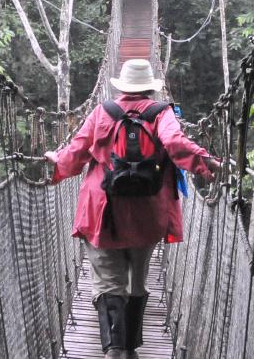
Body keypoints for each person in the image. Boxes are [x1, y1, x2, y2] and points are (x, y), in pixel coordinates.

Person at [45, 58, 219, 359]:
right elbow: (176, 143)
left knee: (109, 284)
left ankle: (114, 349)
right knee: (137, 279)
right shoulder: (161, 114)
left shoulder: (102, 113)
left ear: (122, 86)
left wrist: (57, 160)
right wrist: (207, 161)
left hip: (103, 213)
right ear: (150, 87)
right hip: (148, 214)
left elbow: (74, 155)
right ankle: (130, 350)